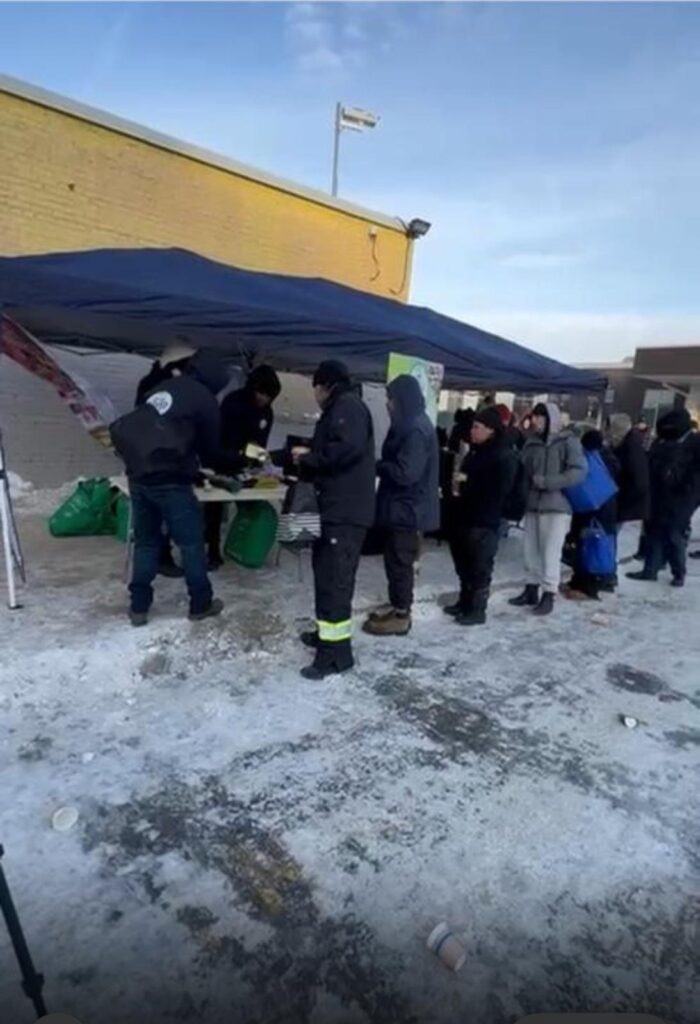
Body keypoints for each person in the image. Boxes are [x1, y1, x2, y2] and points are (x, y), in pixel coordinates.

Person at [111, 350, 236, 626]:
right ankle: (200, 603)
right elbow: (211, 454)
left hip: (139, 476)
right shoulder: (205, 400)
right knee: (191, 544)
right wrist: (238, 459)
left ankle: (139, 607)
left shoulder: (162, 387)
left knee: (146, 542)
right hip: (171, 480)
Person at [293, 361, 375, 679]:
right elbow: (335, 446)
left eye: (314, 387)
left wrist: (310, 458)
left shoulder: (348, 406)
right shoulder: (342, 407)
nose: (314, 395)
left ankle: (334, 656)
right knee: (326, 578)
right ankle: (325, 636)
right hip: (335, 510)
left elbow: (345, 449)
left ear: (324, 385)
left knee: (336, 584)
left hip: (345, 514)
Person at [362, 375, 439, 636]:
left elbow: (407, 473)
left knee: (400, 563)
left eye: (391, 399)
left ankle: (402, 616)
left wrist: (379, 466)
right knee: (395, 561)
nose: (388, 404)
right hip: (402, 508)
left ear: (403, 399)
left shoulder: (415, 429)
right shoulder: (411, 423)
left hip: (408, 509)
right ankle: (397, 608)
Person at [509, 402, 587, 616]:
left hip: (557, 506)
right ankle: (531, 587)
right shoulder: (531, 442)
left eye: (540, 417)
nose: (535, 421)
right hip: (533, 504)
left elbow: (578, 471)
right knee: (530, 549)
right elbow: (523, 468)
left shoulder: (568, 442)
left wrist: (549, 482)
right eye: (534, 416)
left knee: (551, 552)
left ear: (550, 418)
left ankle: (549, 592)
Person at [203, 364, 282, 568]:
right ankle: (212, 549)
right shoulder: (233, 403)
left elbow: (260, 443)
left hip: (247, 465)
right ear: (253, 388)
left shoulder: (267, 412)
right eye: (262, 393)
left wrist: (261, 461)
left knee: (250, 502)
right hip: (221, 461)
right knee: (215, 506)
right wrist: (239, 455)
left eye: (269, 396)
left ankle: (242, 544)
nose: (264, 399)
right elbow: (222, 438)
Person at [445, 406, 518, 625]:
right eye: (473, 427)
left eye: (477, 427)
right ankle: (464, 601)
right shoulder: (475, 452)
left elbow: (499, 489)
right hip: (464, 515)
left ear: (491, 430)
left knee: (479, 566)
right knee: (464, 563)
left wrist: (470, 485)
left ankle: (477, 609)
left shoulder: (502, 455)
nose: (473, 431)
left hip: (484, 519)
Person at [133, 343, 195, 577]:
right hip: (157, 459)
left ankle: (155, 558)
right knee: (160, 512)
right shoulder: (158, 385)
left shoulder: (152, 382)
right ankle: (161, 556)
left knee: (153, 516)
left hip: (150, 459)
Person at [627, 408, 698, 587]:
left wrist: (688, 488)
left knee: (674, 534)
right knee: (653, 531)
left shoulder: (695, 443)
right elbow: (651, 459)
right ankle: (650, 570)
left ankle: (678, 572)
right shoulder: (662, 441)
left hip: (682, 496)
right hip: (658, 492)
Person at [564, 430, 620, 600]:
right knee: (600, 544)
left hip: (593, 509)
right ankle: (595, 581)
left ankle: (588, 586)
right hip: (606, 507)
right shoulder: (606, 458)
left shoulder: (588, 459)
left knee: (590, 545)